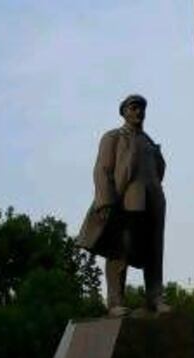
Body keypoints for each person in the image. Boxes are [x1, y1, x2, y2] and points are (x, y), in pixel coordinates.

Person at [76, 94, 168, 317]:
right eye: (134, 108)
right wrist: (105, 201)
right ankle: (116, 300)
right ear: (124, 112)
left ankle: (155, 297)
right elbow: (102, 169)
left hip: (153, 201)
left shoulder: (148, 141)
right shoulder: (114, 137)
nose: (138, 112)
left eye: (141, 108)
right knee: (120, 248)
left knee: (154, 251)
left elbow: (159, 169)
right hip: (126, 201)